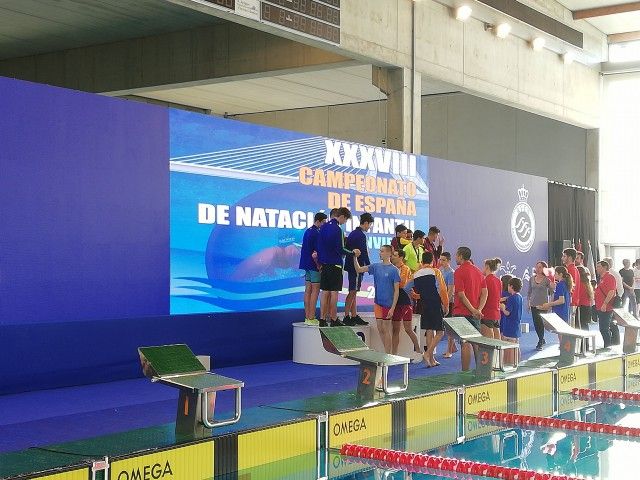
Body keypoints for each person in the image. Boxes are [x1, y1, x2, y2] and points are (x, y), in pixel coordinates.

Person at [353, 245, 399, 354]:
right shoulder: (376, 266)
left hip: (388, 304)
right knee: (380, 328)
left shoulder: (394, 270)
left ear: (389, 253)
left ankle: (388, 354)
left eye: (382, 251)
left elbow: (396, 291)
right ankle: (387, 352)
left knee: (386, 329)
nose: (380, 253)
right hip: (378, 303)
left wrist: (392, 308)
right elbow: (359, 269)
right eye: (380, 251)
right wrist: (354, 257)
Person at [318, 207, 358, 327]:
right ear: (342, 216)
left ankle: (322, 319)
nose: (344, 222)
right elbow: (341, 249)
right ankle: (334, 318)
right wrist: (353, 253)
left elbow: (319, 246)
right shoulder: (338, 229)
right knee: (334, 292)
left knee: (325, 292)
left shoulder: (323, 226)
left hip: (324, 264)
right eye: (345, 220)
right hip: (335, 264)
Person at [413, 251, 449, 367]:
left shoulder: (416, 274)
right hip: (435, 304)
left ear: (422, 261)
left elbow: (407, 288)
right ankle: (428, 354)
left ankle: (431, 360)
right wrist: (446, 304)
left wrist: (417, 296)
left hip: (424, 304)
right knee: (440, 332)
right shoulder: (435, 271)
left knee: (429, 330)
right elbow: (442, 290)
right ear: (432, 261)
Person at [452, 246, 484, 371]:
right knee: (476, 343)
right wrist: (478, 309)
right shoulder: (478, 271)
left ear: (461, 256)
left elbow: (461, 294)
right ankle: (481, 371)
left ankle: (465, 373)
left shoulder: (459, 271)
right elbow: (485, 292)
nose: (455, 257)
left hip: (462, 312)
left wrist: (473, 310)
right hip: (475, 313)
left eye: (456, 255)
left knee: (465, 343)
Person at [391, 250, 424, 362]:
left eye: (395, 255)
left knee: (408, 329)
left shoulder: (405, 268)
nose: (392, 257)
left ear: (401, 257)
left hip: (405, 301)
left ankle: (419, 351)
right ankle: (394, 355)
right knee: (395, 330)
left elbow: (402, 283)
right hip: (395, 302)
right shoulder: (391, 268)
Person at [343, 213, 374, 326]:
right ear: (365, 223)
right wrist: (369, 267)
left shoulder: (353, 233)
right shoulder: (360, 235)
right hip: (356, 267)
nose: (369, 227)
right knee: (352, 291)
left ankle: (354, 315)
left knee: (354, 291)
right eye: (369, 225)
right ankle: (346, 316)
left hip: (352, 266)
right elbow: (364, 253)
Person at [299, 211, 327, 325]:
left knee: (308, 291)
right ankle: (311, 317)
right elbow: (316, 253)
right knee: (315, 291)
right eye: (323, 222)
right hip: (314, 265)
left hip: (306, 264)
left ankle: (307, 317)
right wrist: (319, 265)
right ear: (318, 221)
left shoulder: (308, 231)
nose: (324, 225)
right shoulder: (316, 233)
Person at [528, 261, 554, 350]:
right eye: (537, 267)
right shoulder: (532, 278)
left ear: (544, 268)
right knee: (536, 323)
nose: (538, 269)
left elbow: (552, 291)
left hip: (543, 305)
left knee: (541, 323)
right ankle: (541, 339)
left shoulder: (547, 279)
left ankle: (540, 340)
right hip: (533, 304)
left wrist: (550, 304)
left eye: (540, 267)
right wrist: (528, 303)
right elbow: (529, 292)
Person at [500, 277, 523, 365]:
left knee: (509, 346)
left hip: (509, 325)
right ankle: (517, 363)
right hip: (516, 325)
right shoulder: (519, 297)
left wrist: (503, 308)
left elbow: (507, 313)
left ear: (511, 286)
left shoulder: (512, 298)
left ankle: (509, 364)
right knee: (516, 345)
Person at [595, 260, 617, 348]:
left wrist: (605, 304)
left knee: (604, 328)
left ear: (604, 267)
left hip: (606, 307)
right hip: (600, 306)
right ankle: (608, 345)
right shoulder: (601, 278)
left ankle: (608, 346)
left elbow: (611, 291)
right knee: (603, 328)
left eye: (599, 267)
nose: (597, 268)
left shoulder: (610, 277)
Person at [478, 258, 502, 340]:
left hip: (486, 314)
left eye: (483, 266)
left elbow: (481, 296)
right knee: (498, 344)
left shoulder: (485, 281)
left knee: (488, 344)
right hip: (496, 315)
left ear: (487, 267)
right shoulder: (498, 281)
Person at [439, 252, 457, 358]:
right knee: (446, 326)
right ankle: (453, 347)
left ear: (449, 261)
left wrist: (445, 303)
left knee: (450, 327)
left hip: (449, 302)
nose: (441, 262)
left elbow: (450, 290)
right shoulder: (440, 271)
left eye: (444, 260)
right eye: (440, 260)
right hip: (442, 301)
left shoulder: (451, 273)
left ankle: (449, 351)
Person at [562, 248, 581, 328]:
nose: (562, 258)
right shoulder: (574, 269)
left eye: (564, 256)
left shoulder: (571, 270)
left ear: (569, 258)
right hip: (572, 301)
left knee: (568, 326)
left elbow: (570, 287)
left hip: (569, 302)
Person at [576, 266, 594, 331]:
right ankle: (586, 337)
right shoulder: (586, 282)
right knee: (584, 324)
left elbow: (579, 296)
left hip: (581, 306)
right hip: (587, 306)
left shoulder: (580, 283)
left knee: (580, 325)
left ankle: (583, 338)